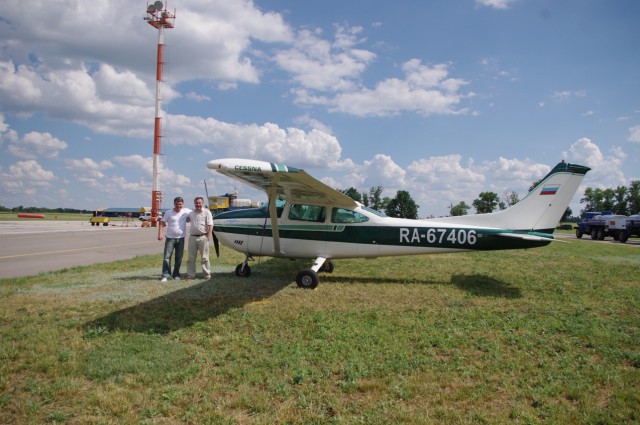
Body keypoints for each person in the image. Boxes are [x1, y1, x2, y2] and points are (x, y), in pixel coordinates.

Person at [158, 197, 191, 282]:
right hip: (170, 238)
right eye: (177, 204)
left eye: (180, 204)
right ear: (174, 204)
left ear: (182, 204)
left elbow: (197, 211)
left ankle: (176, 274)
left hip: (181, 238)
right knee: (167, 257)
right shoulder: (169, 212)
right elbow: (162, 223)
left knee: (179, 257)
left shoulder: (186, 211)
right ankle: (165, 275)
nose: (178, 205)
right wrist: (160, 234)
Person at [186, 196, 214, 279]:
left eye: (199, 203)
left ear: (202, 203)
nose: (198, 204)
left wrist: (208, 237)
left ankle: (207, 274)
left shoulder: (207, 212)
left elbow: (211, 225)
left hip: (203, 237)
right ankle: (190, 275)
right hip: (192, 238)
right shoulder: (191, 213)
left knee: (205, 257)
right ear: (194, 203)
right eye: (196, 203)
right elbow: (185, 218)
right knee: (191, 258)